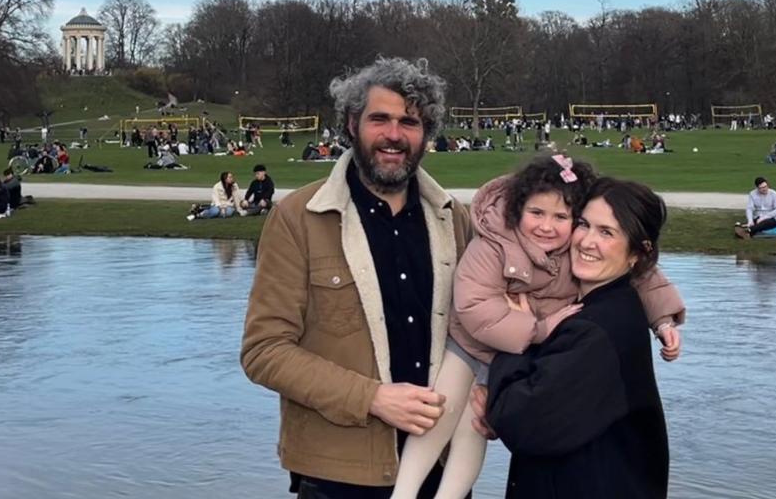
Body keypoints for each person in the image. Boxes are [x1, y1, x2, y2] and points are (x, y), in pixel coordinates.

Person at [241, 57, 473, 497]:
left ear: (427, 133)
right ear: (351, 123)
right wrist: (373, 398)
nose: (394, 134)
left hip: (441, 468)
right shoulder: (298, 218)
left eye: (410, 121)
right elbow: (264, 351)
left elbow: (479, 333)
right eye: (379, 119)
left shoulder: (452, 219)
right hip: (338, 475)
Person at [391, 155, 685, 499]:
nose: (550, 227)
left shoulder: (596, 319)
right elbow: (472, 303)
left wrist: (664, 320)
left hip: (516, 358)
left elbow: (646, 277)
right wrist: (533, 333)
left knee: (472, 431)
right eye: (585, 225)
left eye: (563, 217)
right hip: (471, 343)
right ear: (518, 210)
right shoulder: (497, 244)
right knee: (438, 413)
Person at [482, 178, 671, 498]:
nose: (587, 241)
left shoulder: (597, 329)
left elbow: (523, 422)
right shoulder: (600, 307)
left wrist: (515, 335)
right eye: (584, 224)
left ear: (638, 253)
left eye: (607, 232)